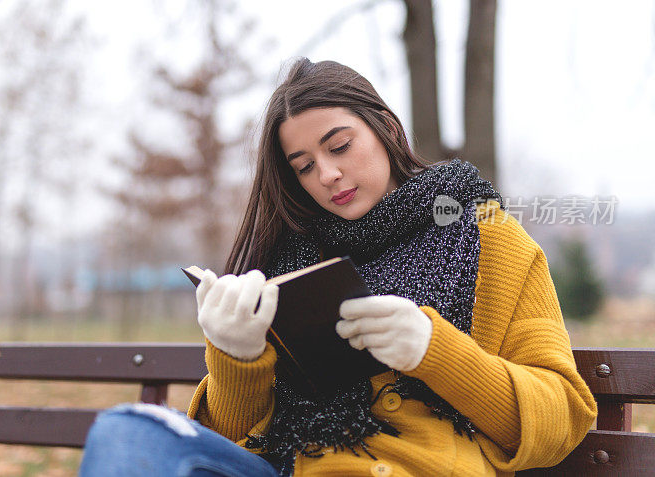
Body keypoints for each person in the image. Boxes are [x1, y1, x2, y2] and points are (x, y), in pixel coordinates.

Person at [79, 58, 597, 476]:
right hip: (288, 469)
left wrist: (433, 350)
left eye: (339, 146)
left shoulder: (486, 235)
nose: (327, 174)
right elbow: (231, 441)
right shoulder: (286, 263)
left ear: (387, 128)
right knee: (127, 432)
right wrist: (236, 356)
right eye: (303, 166)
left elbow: (564, 416)